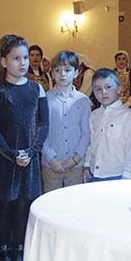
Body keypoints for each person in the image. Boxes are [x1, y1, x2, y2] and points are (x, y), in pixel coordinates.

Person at [0, 35, 48, 261]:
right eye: (16, 58)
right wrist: (11, 154)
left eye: (25, 58)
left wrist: (31, 152)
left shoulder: (37, 88)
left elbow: (43, 124)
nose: (22, 63)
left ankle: (19, 255)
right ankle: (4, 257)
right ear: (3, 61)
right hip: (4, 157)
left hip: (28, 158)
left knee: (23, 207)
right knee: (5, 207)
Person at [41, 50, 90, 192]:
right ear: (52, 73)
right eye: (57, 70)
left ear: (76, 73)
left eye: (67, 70)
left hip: (75, 165)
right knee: (51, 200)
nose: (62, 74)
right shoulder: (45, 99)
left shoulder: (83, 100)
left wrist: (75, 159)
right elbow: (41, 132)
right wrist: (51, 158)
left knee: (74, 201)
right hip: (51, 164)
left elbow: (86, 133)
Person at [83, 68, 131, 182]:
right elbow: (91, 143)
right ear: (93, 92)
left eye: (108, 87)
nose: (103, 92)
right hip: (94, 173)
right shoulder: (94, 115)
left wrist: (127, 176)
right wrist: (87, 165)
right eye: (98, 89)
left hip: (117, 175)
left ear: (119, 89)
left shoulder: (128, 115)